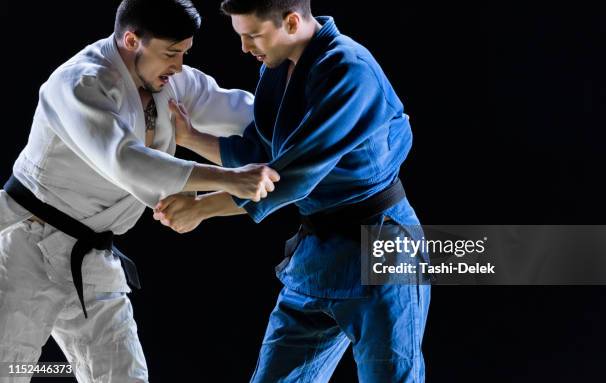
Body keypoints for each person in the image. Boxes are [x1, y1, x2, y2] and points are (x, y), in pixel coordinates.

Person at [0, 0, 280, 382]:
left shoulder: (170, 80)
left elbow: (238, 111)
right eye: (171, 53)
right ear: (132, 40)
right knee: (8, 368)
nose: (179, 66)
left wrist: (307, 120)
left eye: (184, 53)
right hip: (27, 247)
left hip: (92, 257)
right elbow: (126, 160)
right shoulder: (80, 82)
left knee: (124, 377)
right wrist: (227, 177)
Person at [155, 0, 430, 381]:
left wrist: (203, 207)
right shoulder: (279, 67)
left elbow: (295, 174)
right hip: (318, 255)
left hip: (382, 248)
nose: (245, 47)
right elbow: (262, 152)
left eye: (253, 35)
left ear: (291, 21)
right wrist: (191, 138)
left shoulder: (350, 70)